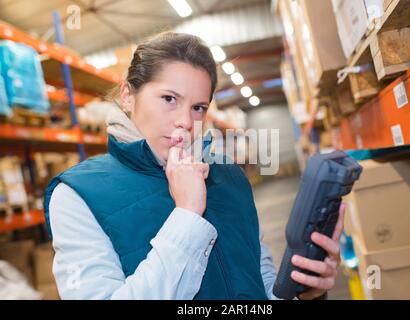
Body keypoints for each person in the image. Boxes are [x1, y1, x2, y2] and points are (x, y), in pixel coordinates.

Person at [44, 32, 345, 300]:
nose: (186, 122)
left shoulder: (228, 175)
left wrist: (306, 294)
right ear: (127, 95)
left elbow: (261, 280)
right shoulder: (76, 196)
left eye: (198, 107)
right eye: (169, 99)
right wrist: (187, 215)